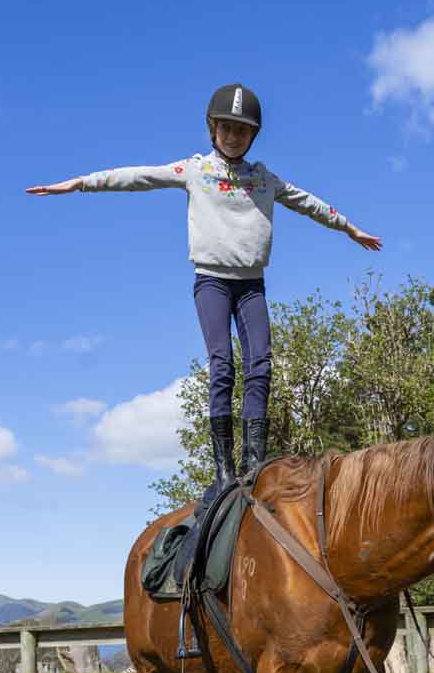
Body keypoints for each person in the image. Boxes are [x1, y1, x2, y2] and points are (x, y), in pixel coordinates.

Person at [27, 83, 381, 501]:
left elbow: (309, 203)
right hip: (211, 281)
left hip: (251, 285)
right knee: (222, 366)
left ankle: (253, 462)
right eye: (226, 128)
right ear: (212, 129)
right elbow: (138, 176)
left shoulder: (264, 180)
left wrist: (349, 228)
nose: (233, 136)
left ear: (253, 135)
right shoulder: (195, 170)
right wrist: (81, 183)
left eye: (242, 130)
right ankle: (223, 469)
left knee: (261, 366)